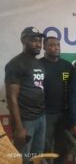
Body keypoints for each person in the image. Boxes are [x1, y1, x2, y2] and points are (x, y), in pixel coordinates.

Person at [5, 27, 46, 164]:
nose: (38, 44)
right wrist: (18, 127)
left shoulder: (38, 63)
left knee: (37, 156)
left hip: (41, 117)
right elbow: (11, 98)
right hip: (26, 121)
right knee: (23, 158)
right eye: (34, 40)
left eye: (39, 41)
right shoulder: (15, 64)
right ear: (23, 40)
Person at [39, 36, 73, 164]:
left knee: (62, 145)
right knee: (46, 146)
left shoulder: (67, 66)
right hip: (45, 113)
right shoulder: (38, 65)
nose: (56, 47)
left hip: (64, 113)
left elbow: (73, 91)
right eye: (52, 45)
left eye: (58, 45)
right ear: (44, 47)